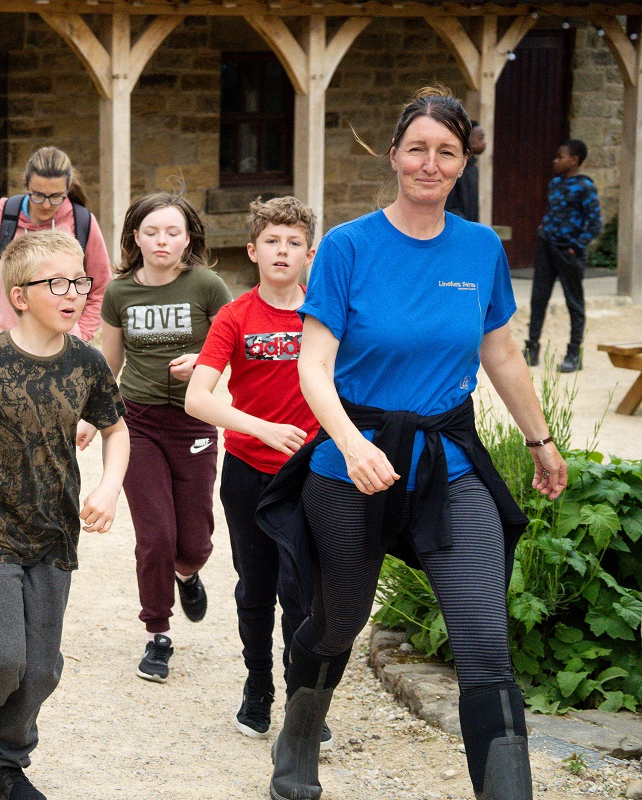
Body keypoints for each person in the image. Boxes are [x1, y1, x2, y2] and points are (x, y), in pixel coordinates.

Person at [255, 87, 566, 800]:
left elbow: (502, 354)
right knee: (338, 621)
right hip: (349, 462)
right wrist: (351, 445)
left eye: (446, 152)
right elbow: (314, 363)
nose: (431, 164)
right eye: (418, 149)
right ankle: (300, 732)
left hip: (448, 462)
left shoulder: (480, 247)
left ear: (463, 163)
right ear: (394, 155)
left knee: (486, 645)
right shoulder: (347, 246)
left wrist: (540, 439)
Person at [0, 229, 129, 800]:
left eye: (80, 282)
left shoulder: (86, 362)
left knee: (41, 670)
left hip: (54, 533)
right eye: (57, 283)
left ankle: (8, 766)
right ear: (18, 295)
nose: (75, 293)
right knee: (2, 658)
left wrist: (110, 488)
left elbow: (115, 428)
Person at [184, 196, 331, 745]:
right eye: (272, 241)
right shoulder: (235, 315)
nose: (283, 251)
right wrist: (262, 428)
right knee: (257, 585)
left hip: (313, 473)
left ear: (309, 254)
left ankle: (301, 698)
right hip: (248, 469)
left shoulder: (325, 310)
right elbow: (198, 399)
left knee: (303, 588)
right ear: (253, 249)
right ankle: (258, 684)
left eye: (294, 243)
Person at [97, 192, 232, 683]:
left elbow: (230, 349)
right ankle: (158, 633)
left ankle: (188, 572)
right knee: (155, 535)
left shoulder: (208, 285)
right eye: (152, 231)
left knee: (193, 540)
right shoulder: (119, 293)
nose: (162, 241)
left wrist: (201, 363)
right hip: (139, 423)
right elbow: (109, 362)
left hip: (195, 420)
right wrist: (93, 416)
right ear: (135, 236)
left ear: (189, 237)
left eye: (173, 232)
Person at [0, 146, 111, 342]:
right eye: (38, 195)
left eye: (56, 196)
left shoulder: (83, 222)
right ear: (26, 184)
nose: (46, 205)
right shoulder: (0, 220)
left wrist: (81, 334)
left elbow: (101, 288)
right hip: (6, 347)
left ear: (68, 189)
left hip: (64, 349)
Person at [524, 138, 602, 373]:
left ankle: (573, 355)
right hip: (546, 248)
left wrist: (576, 246)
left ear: (574, 160)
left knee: (574, 303)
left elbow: (595, 223)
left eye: (561, 156)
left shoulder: (585, 187)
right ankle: (531, 350)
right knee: (538, 299)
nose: (555, 160)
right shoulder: (555, 183)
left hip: (569, 253)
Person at [444, 121, 483, 222]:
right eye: (480, 138)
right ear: (469, 140)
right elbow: (450, 205)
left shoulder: (473, 170)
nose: (484, 143)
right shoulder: (454, 169)